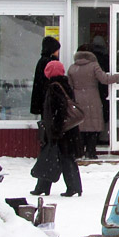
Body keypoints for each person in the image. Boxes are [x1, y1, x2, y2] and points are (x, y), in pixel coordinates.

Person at [32, 59, 83, 197]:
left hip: (59, 131)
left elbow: (57, 111)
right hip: (68, 130)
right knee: (64, 158)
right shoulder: (65, 85)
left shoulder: (53, 87)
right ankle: (74, 187)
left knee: (50, 157)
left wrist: (54, 130)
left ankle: (44, 187)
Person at [68, 44, 119, 159]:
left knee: (80, 125)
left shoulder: (72, 68)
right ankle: (91, 151)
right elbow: (105, 79)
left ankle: (79, 151)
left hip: (78, 99)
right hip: (93, 98)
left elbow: (69, 86)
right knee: (93, 126)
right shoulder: (94, 66)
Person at [29, 36, 60, 117]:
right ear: (52, 50)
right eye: (57, 50)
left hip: (43, 100)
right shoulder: (49, 62)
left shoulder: (42, 61)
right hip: (48, 100)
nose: (58, 52)